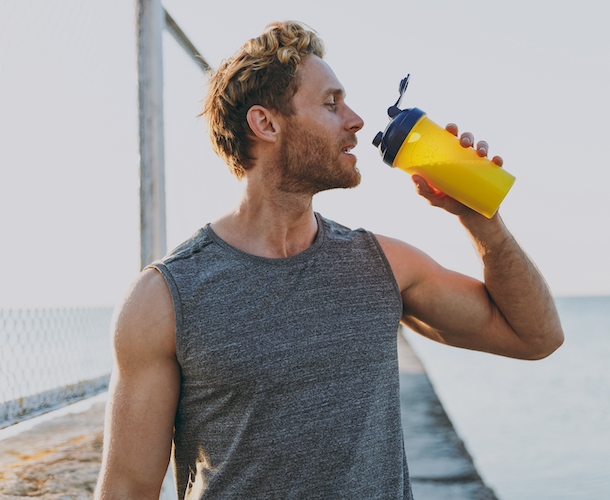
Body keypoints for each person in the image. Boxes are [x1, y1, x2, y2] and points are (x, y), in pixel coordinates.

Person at [95, 21, 564, 500]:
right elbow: (128, 487)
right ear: (266, 124)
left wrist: (482, 220)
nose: (356, 120)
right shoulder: (164, 299)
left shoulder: (384, 266)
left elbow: (536, 337)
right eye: (331, 103)